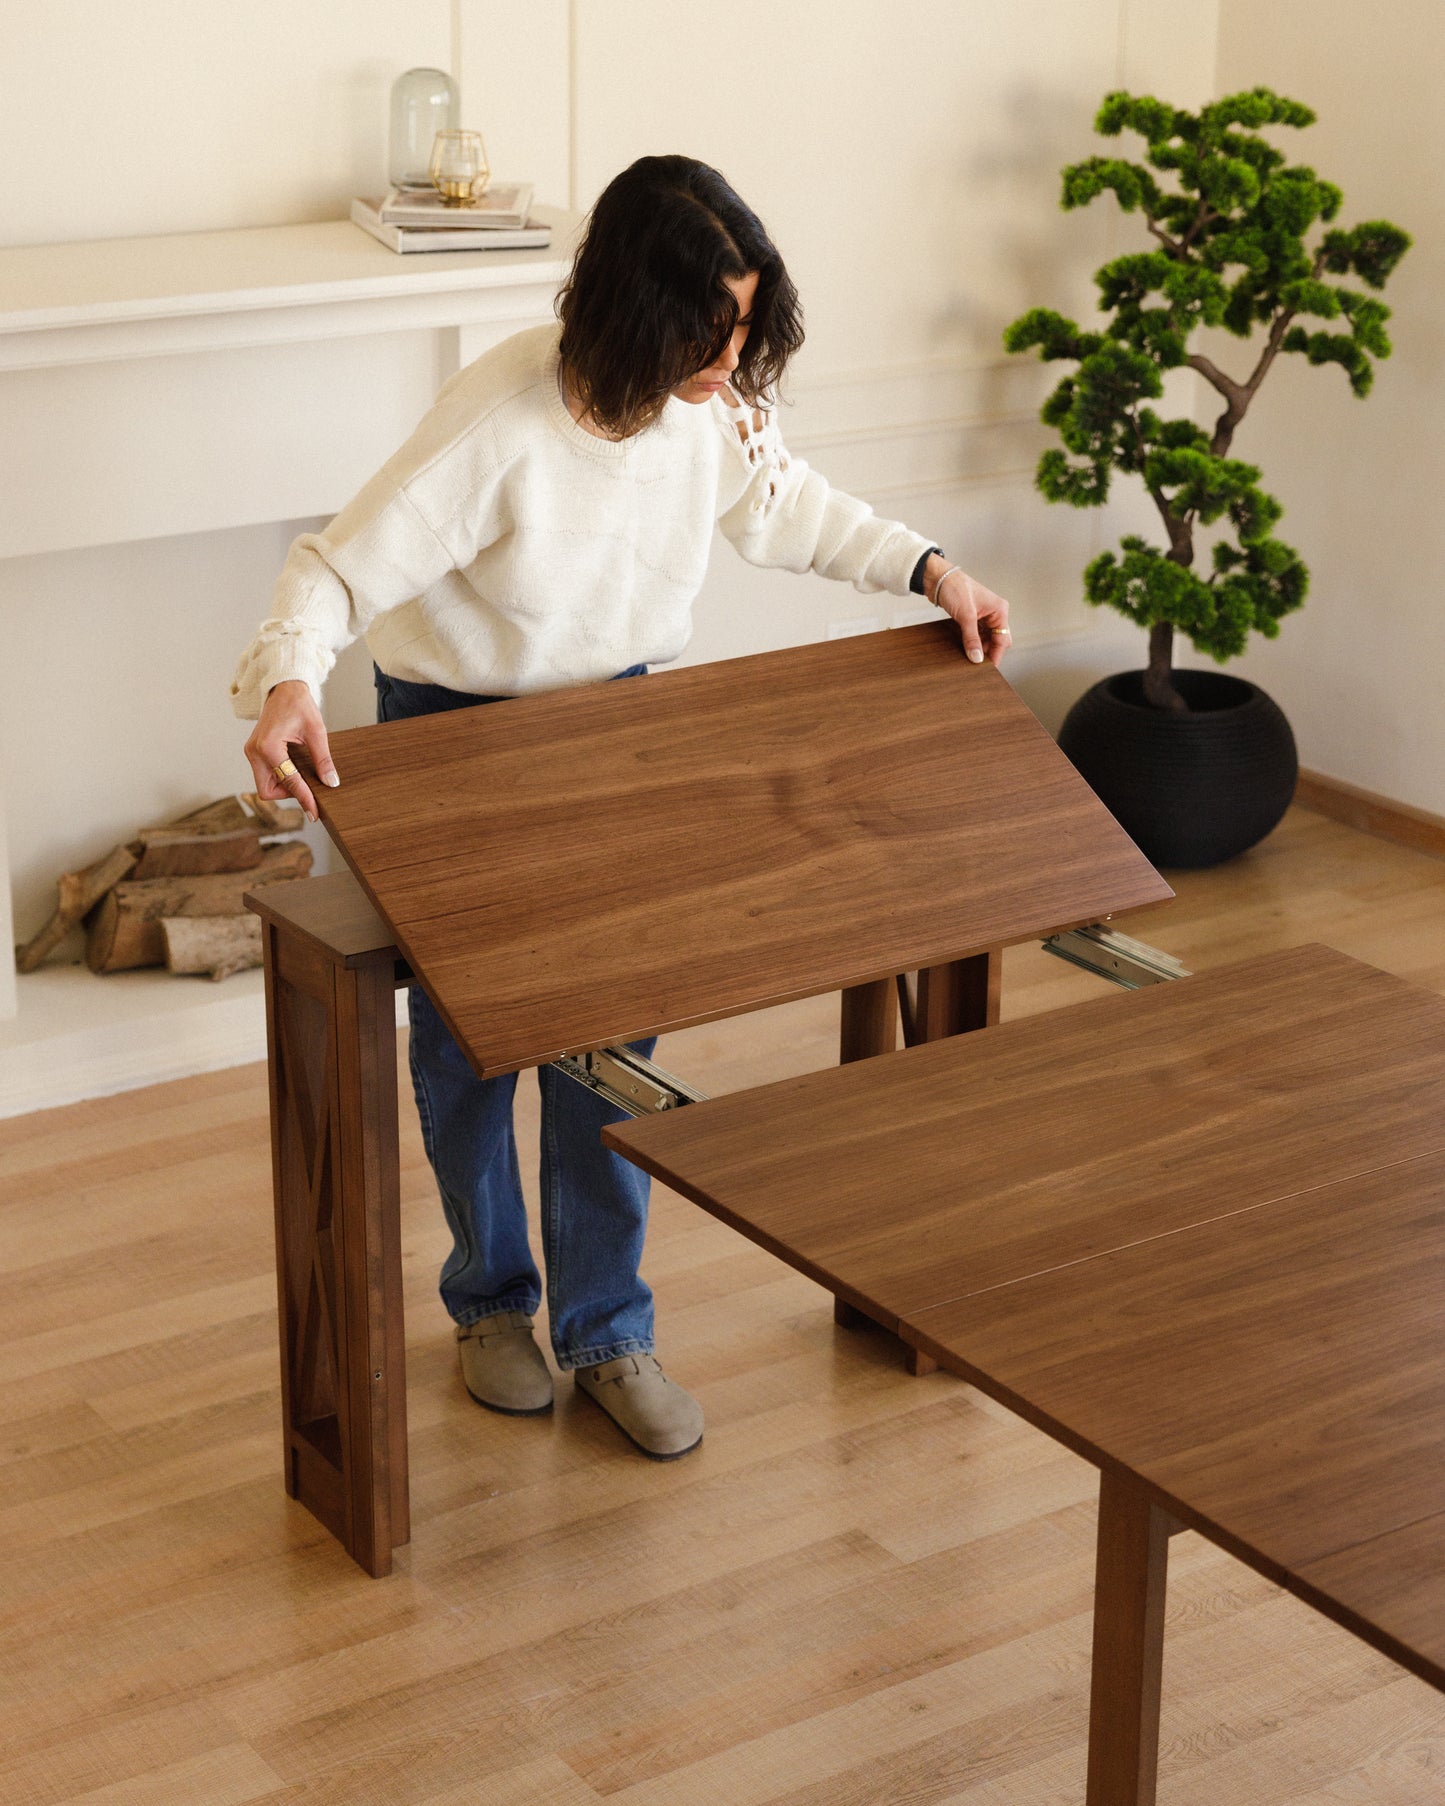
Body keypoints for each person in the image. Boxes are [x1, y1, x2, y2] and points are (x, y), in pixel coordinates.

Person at [232, 154, 1011, 1463]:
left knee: (610, 1047)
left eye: (747, 325)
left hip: (621, 728)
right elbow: (330, 569)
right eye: (712, 331)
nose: (732, 357)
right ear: (632, 314)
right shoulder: (497, 425)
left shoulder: (708, 407)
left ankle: (607, 1329)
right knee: (470, 1051)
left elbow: (785, 508)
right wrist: (287, 682)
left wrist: (928, 567)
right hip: (458, 740)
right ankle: (491, 1302)